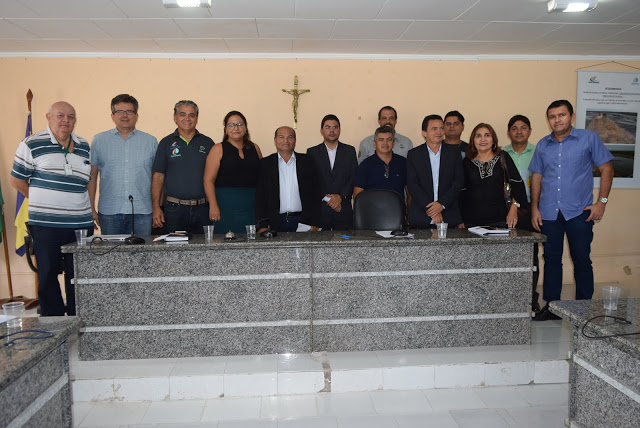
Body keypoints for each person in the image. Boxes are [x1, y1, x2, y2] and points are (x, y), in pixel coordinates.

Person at [530, 100, 614, 321]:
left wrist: (602, 202)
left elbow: (607, 168)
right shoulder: (542, 145)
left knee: (581, 259)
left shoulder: (588, 138)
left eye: (561, 115)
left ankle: (583, 309)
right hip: (549, 213)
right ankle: (553, 308)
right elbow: (537, 177)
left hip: (579, 212)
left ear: (572, 116)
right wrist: (534, 208)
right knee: (551, 260)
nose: (557, 120)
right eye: (552, 116)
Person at [10, 101, 93, 316]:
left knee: (79, 275)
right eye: (60, 115)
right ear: (48, 117)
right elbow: (17, 180)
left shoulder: (84, 145)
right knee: (47, 275)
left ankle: (78, 318)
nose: (66, 120)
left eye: (71, 117)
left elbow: (87, 181)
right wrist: (42, 199)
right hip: (47, 225)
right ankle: (53, 323)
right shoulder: (31, 144)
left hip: (81, 225)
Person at [88, 94, 158, 236]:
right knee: (111, 250)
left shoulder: (150, 141)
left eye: (129, 111)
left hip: (142, 212)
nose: (125, 115)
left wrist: (157, 207)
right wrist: (91, 208)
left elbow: (157, 177)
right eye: (120, 111)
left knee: (143, 250)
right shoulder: (99, 141)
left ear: (136, 115)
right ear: (112, 116)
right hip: (109, 212)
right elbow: (92, 176)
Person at [152, 100, 214, 234]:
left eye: (191, 115)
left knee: (204, 247)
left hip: (203, 209)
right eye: (182, 114)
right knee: (175, 247)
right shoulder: (166, 143)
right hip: (174, 210)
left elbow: (214, 177)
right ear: (175, 118)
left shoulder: (208, 143)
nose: (187, 118)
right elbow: (158, 176)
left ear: (196, 118)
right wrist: (156, 207)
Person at [203, 111, 262, 234]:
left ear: (246, 128)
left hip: (252, 205)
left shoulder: (255, 148)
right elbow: (208, 180)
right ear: (225, 129)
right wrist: (213, 205)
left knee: (251, 240)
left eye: (240, 124)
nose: (236, 128)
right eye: (231, 125)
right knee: (226, 240)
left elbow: (262, 178)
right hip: (225, 205)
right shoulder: (218, 149)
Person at [504, 114, 540, 312]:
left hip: (531, 208)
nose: (519, 131)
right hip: (507, 209)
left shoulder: (538, 152)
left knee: (530, 256)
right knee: (507, 255)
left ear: (530, 131)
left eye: (523, 127)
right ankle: (509, 298)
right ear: (509, 132)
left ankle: (531, 298)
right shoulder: (501, 153)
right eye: (514, 128)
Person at [460, 123, 527, 228]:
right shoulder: (467, 161)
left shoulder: (503, 157)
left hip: (501, 220)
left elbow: (517, 186)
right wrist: (460, 219)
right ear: (473, 140)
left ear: (493, 140)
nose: (483, 139)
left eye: (487, 135)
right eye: (478, 136)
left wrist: (514, 208)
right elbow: (461, 192)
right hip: (471, 221)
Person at [255, 126, 321, 233]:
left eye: (290, 137)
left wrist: (315, 223)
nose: (286, 141)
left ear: (295, 140)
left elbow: (316, 193)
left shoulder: (307, 161)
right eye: (281, 137)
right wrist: (262, 225)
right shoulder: (265, 164)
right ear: (275, 140)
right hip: (274, 222)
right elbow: (260, 196)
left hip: (303, 222)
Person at [407, 115, 464, 228]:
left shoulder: (454, 153)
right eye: (434, 128)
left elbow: (458, 181)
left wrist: (441, 205)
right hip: (421, 215)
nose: (439, 132)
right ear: (424, 133)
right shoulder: (414, 154)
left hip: (449, 214)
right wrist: (432, 210)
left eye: (441, 128)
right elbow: (412, 184)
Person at [307, 114, 358, 231]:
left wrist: (340, 197)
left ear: (339, 130)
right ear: (321, 131)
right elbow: (312, 181)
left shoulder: (349, 151)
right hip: (321, 210)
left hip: (343, 208)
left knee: (344, 241)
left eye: (335, 127)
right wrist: (329, 200)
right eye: (328, 127)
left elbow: (353, 177)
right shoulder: (312, 152)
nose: (332, 130)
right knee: (320, 242)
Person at [353, 125, 407, 199]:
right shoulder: (365, 165)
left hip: (398, 206)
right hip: (372, 206)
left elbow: (410, 192)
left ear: (393, 143)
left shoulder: (403, 163)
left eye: (389, 139)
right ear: (375, 144)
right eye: (381, 139)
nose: (385, 143)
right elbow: (357, 195)